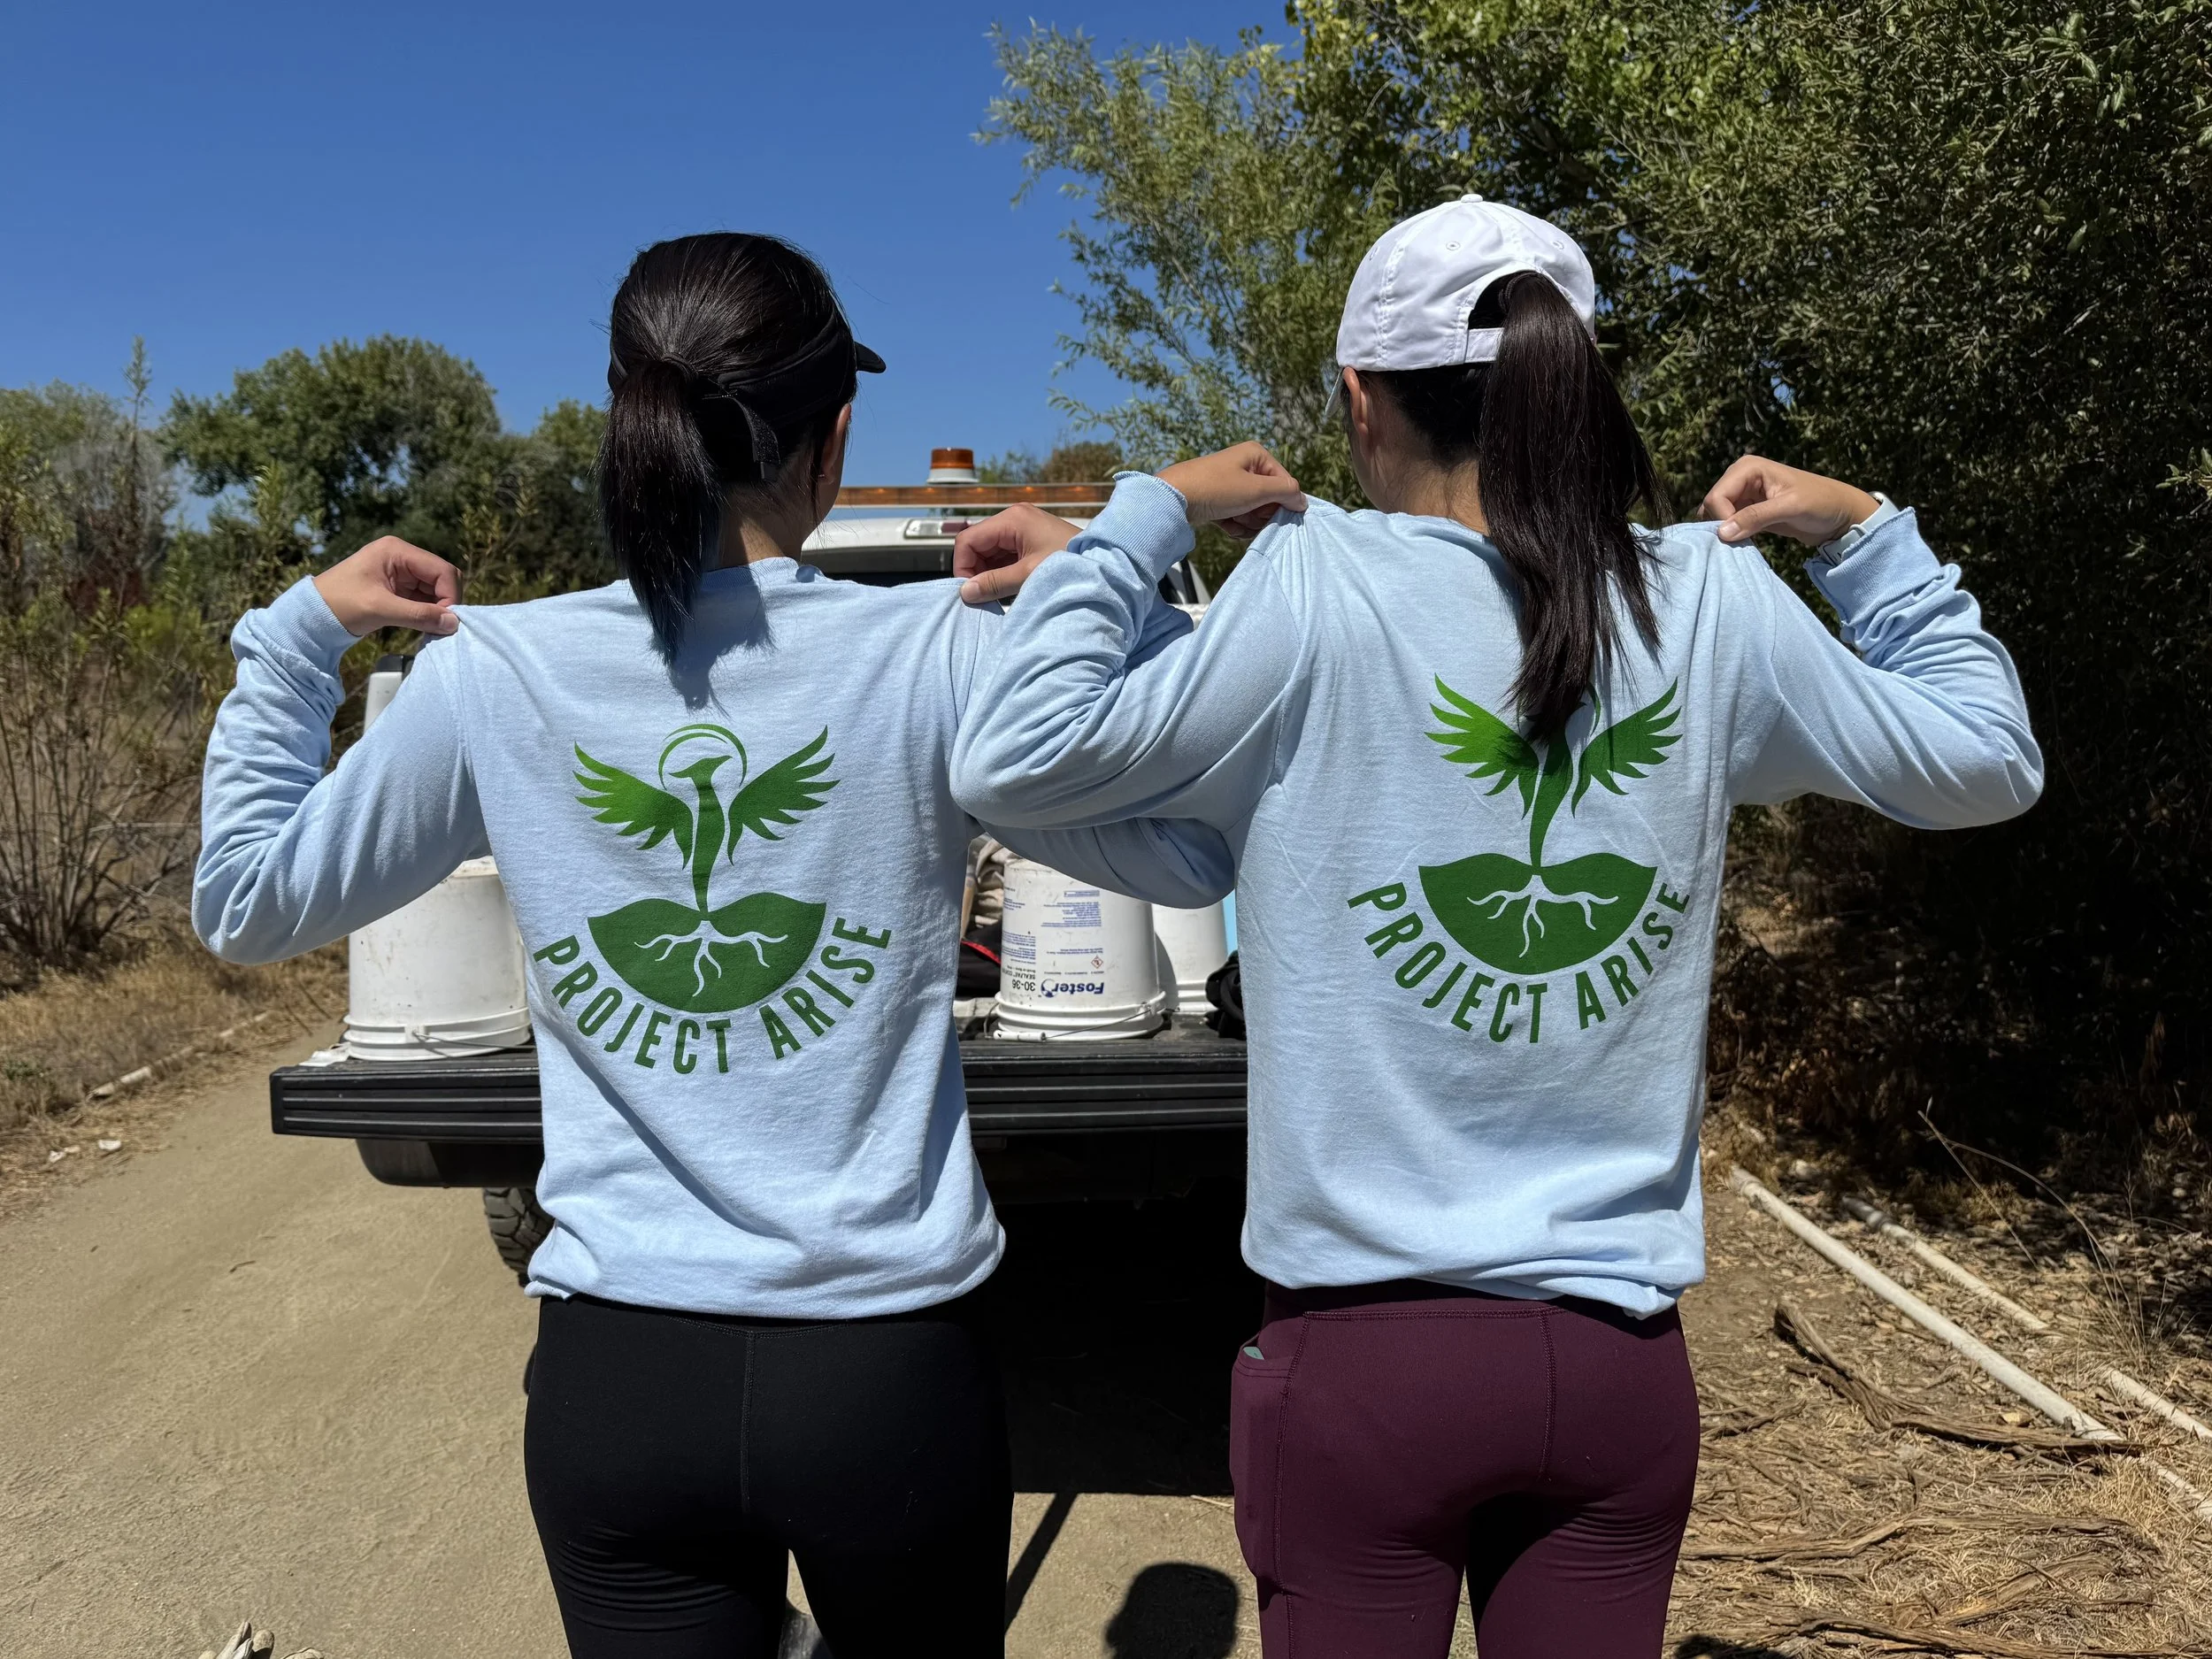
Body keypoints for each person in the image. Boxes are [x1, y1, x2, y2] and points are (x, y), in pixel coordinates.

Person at [948, 195, 2041, 1657]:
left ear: (1359, 397)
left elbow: (1015, 760)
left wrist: (1140, 521)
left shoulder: (1311, 582)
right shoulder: (1705, 604)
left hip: (1359, 1366)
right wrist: (1865, 535)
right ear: (1569, 382)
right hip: (1613, 1370)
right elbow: (1989, 760)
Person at [193, 232, 1231, 1659]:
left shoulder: (497, 669)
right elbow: (1208, 836)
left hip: (621, 1376)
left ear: (635, 423)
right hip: (886, 1373)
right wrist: (1099, 576)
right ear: (833, 435)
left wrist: (296, 636)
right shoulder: (937, 656)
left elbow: (244, 898)